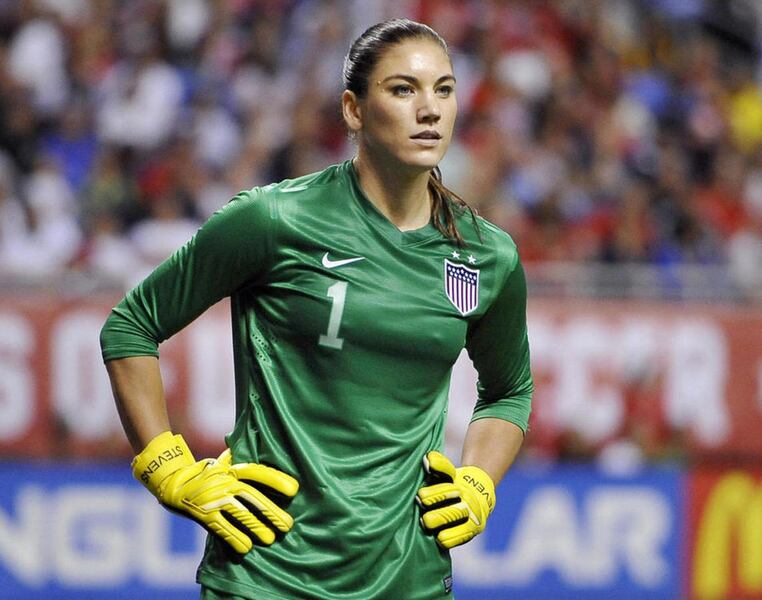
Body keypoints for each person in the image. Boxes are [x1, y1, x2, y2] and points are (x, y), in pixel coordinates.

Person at [100, 18, 532, 600]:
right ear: (353, 110)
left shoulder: (487, 256)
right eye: (403, 89)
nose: (429, 109)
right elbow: (131, 326)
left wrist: (480, 480)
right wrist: (167, 468)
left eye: (444, 89)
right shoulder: (274, 220)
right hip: (264, 574)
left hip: (410, 579)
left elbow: (509, 390)